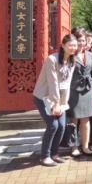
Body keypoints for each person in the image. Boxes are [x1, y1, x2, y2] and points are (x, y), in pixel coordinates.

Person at [33, 34, 77, 166]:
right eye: (70, 45)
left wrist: (63, 103)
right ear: (63, 45)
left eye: (75, 45)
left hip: (59, 98)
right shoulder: (52, 60)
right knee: (53, 126)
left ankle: (54, 153)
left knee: (62, 126)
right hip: (43, 97)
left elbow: (67, 84)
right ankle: (44, 156)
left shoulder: (72, 61)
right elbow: (53, 84)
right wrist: (56, 104)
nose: (73, 48)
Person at [68, 28, 92, 157]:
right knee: (74, 120)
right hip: (74, 90)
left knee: (86, 119)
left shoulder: (90, 55)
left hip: (87, 90)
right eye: (79, 40)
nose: (81, 43)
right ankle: (74, 146)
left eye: (83, 40)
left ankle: (85, 146)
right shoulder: (69, 55)